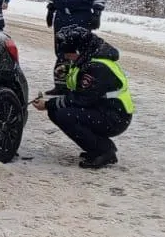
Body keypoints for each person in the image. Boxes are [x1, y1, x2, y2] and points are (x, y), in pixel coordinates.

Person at [31, 25, 134, 169]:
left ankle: (104, 151)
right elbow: (77, 93)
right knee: (57, 111)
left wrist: (48, 104)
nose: (66, 57)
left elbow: (81, 98)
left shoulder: (97, 67)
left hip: (115, 116)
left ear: (79, 50)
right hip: (102, 109)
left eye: (68, 54)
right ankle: (96, 147)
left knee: (64, 115)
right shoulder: (86, 59)